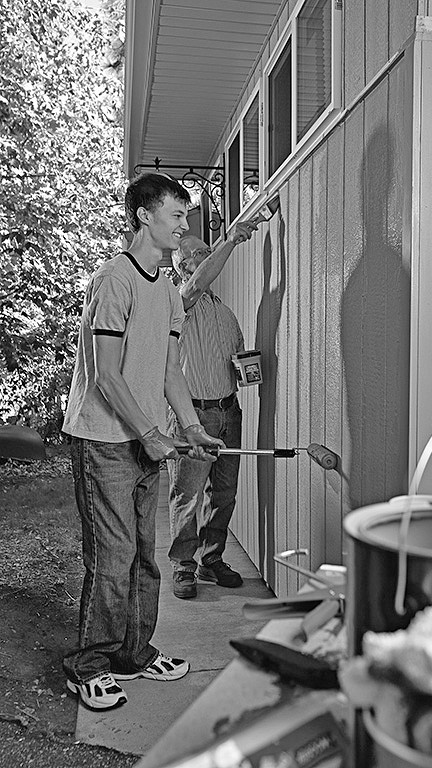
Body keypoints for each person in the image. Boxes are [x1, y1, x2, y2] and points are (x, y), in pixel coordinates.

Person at [61, 173, 223, 711]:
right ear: (143, 217)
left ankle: (133, 653)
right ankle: (88, 666)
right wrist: (149, 434)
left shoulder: (170, 295)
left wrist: (191, 427)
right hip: (105, 439)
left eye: (185, 216)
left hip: (147, 440)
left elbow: (171, 371)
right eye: (176, 216)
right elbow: (107, 375)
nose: (184, 226)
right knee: (112, 556)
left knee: (145, 557)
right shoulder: (115, 280)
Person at [168, 222, 258, 599]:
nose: (207, 256)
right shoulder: (179, 300)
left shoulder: (225, 312)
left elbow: (234, 357)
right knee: (187, 495)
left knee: (224, 494)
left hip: (228, 411)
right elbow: (199, 284)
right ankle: (183, 567)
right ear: (184, 266)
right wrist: (233, 239)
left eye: (207, 250)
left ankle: (211, 559)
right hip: (193, 416)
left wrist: (246, 367)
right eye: (201, 253)